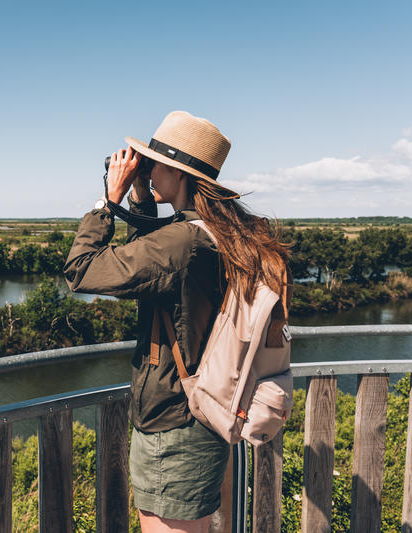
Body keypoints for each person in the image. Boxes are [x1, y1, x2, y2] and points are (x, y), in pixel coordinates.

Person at [63, 111, 289, 532]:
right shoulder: (222, 232)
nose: (144, 168)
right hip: (203, 409)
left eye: (152, 163)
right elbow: (155, 275)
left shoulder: (183, 241)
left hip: (173, 424)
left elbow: (82, 269)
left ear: (179, 173)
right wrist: (142, 198)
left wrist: (107, 204)